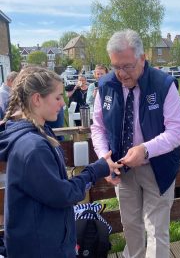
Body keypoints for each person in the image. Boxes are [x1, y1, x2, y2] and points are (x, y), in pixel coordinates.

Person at [0, 66, 122, 258]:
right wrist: (96, 170)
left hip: (43, 240)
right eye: (57, 97)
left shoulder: (38, 133)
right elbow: (63, 194)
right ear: (37, 99)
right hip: (41, 248)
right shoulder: (33, 148)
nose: (63, 103)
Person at [91, 29, 180, 258]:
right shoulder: (105, 86)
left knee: (156, 230)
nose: (121, 74)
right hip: (122, 168)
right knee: (131, 227)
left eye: (128, 66)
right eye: (116, 67)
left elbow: (176, 131)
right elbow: (98, 127)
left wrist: (145, 150)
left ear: (142, 58)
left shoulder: (163, 85)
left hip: (158, 167)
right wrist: (105, 158)